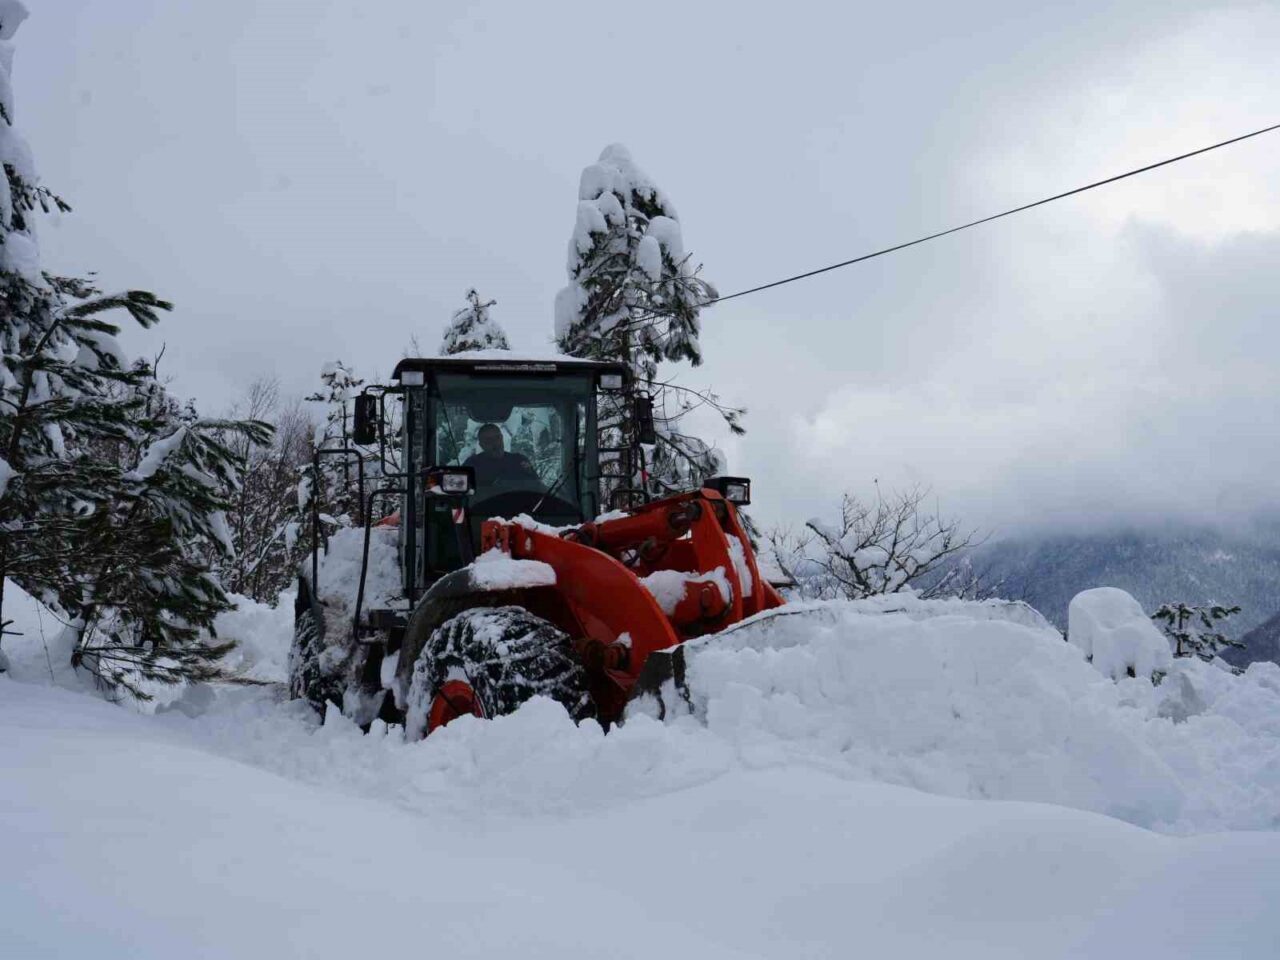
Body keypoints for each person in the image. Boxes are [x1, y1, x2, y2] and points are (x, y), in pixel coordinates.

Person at [463, 423, 542, 491]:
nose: (495, 443)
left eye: (498, 438)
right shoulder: (472, 465)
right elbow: (460, 495)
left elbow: (538, 488)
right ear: (481, 445)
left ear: (502, 438)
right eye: (489, 440)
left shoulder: (519, 461)